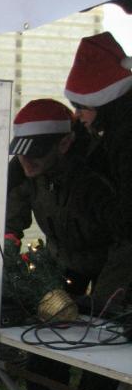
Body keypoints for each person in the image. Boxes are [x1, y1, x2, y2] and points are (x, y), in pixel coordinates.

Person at [4, 99, 117, 390]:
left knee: (103, 339)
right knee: (46, 325)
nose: (26, 161)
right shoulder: (27, 168)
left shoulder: (97, 177)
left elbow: (124, 238)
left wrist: (103, 300)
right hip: (64, 258)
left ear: (65, 144)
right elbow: (12, 212)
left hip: (113, 262)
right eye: (21, 152)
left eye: (36, 153)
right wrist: (7, 246)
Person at [63, 31, 132, 310]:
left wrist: (91, 195)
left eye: (81, 106)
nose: (77, 115)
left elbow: (127, 220)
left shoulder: (124, 140)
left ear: (104, 100)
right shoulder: (114, 131)